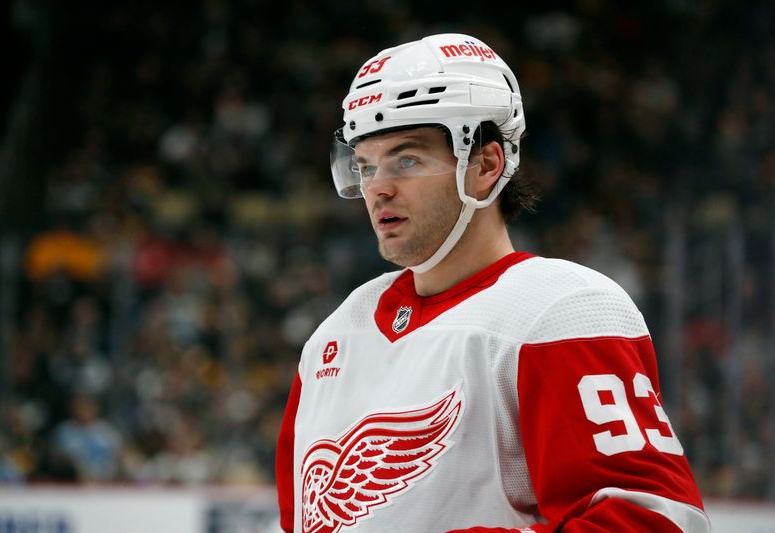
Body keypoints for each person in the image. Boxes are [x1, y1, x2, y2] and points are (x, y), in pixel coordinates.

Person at [276, 33, 709, 532]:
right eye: (367, 166)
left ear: (485, 165)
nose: (378, 187)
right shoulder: (336, 336)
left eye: (407, 160)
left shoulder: (563, 309)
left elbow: (651, 522)